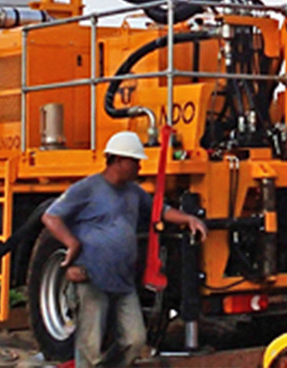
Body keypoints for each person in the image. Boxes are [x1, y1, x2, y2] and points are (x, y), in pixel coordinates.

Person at [42, 131, 209, 368]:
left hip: (123, 280)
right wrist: (72, 243)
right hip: (92, 277)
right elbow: (51, 217)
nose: (140, 167)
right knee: (89, 345)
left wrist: (188, 219)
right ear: (119, 160)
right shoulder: (87, 189)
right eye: (135, 161)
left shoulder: (133, 192)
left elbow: (158, 210)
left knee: (134, 339)